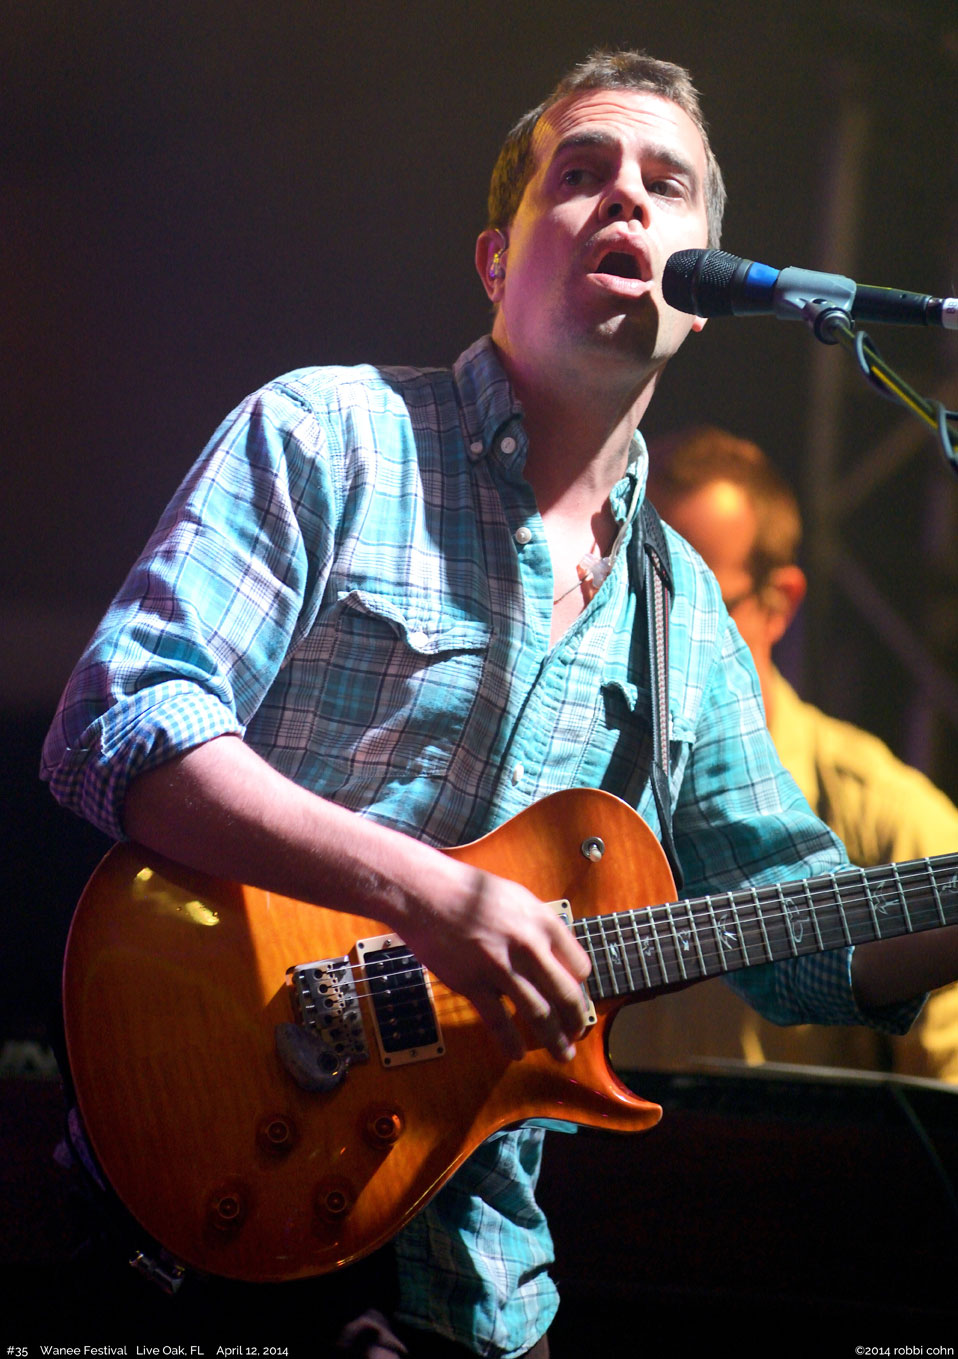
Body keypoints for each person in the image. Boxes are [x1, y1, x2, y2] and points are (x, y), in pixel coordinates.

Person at [40, 49, 958, 1359]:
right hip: (214, 1199)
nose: (625, 198)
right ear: (494, 260)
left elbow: (800, 938)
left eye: (666, 186)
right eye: (579, 174)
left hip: (477, 1294)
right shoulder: (328, 436)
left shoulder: (684, 612)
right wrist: (432, 895)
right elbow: (119, 723)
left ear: (702, 294)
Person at [630, 425, 958, 1080]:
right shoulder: (574, 770)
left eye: (691, 605)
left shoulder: (898, 821)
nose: (651, 634)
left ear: (779, 603)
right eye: (629, 601)